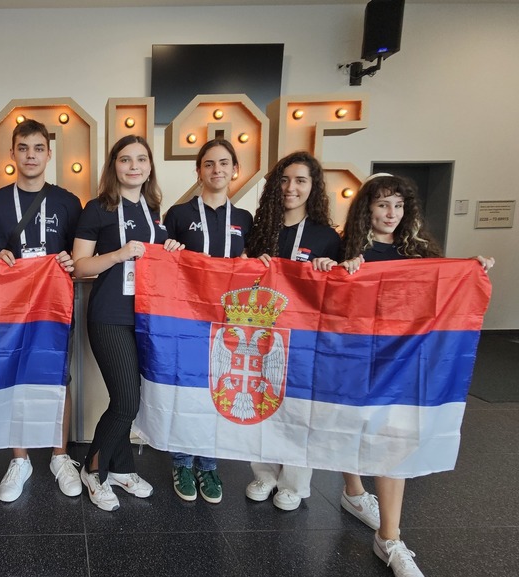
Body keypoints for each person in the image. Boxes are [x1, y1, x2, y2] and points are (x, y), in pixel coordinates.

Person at [323, 173, 494, 577]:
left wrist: (473, 267)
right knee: (351, 428)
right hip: (356, 357)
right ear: (367, 208)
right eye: (383, 204)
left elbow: (444, 286)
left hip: (401, 361)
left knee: (392, 440)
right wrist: (336, 269)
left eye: (398, 205)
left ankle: (390, 537)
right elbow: (323, 292)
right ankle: (353, 491)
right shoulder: (347, 247)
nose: (391, 213)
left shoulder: (418, 250)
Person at [71, 135, 183, 511]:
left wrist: (171, 250)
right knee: (125, 401)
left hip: (147, 319)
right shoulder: (97, 209)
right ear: (114, 166)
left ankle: (121, 468)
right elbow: (80, 266)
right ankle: (93, 469)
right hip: (109, 316)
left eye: (141, 159)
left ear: (150, 167)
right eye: (125, 159)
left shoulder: (154, 211)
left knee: (133, 398)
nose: (133, 166)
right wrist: (118, 254)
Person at [0, 119, 82, 502]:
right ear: (12, 153)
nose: (31, 155)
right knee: (15, 376)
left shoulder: (68, 202)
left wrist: (71, 261)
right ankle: (20, 459)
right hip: (11, 307)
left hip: (54, 306)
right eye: (23, 148)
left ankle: (59, 455)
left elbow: (80, 256)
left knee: (59, 377)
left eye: (38, 148)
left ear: (49, 153)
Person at [243, 150, 341, 512]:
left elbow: (340, 288)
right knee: (262, 401)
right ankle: (264, 473)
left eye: (300, 180)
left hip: (304, 337)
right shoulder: (260, 231)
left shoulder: (326, 236)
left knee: (299, 409)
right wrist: (248, 264)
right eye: (284, 180)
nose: (290, 188)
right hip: (263, 333)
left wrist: (328, 268)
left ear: (313, 187)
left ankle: (294, 482)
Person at [163, 138, 253, 504]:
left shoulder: (244, 219)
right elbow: (162, 265)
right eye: (209, 163)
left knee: (219, 390)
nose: (217, 170)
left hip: (228, 321)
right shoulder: (178, 214)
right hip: (187, 321)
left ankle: (209, 463)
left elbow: (252, 268)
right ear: (198, 170)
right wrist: (169, 251)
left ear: (235, 170)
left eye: (224, 163)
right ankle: (182, 462)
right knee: (186, 390)